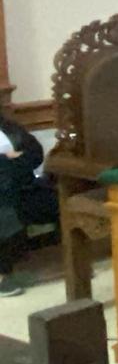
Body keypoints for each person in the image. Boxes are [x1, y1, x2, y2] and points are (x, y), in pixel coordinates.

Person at [0, 114, 58, 297]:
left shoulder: (7, 125)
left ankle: (72, 262)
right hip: (5, 196)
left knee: (58, 199)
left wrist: (8, 162)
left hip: (24, 189)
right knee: (5, 210)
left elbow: (35, 153)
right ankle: (3, 275)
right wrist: (9, 159)